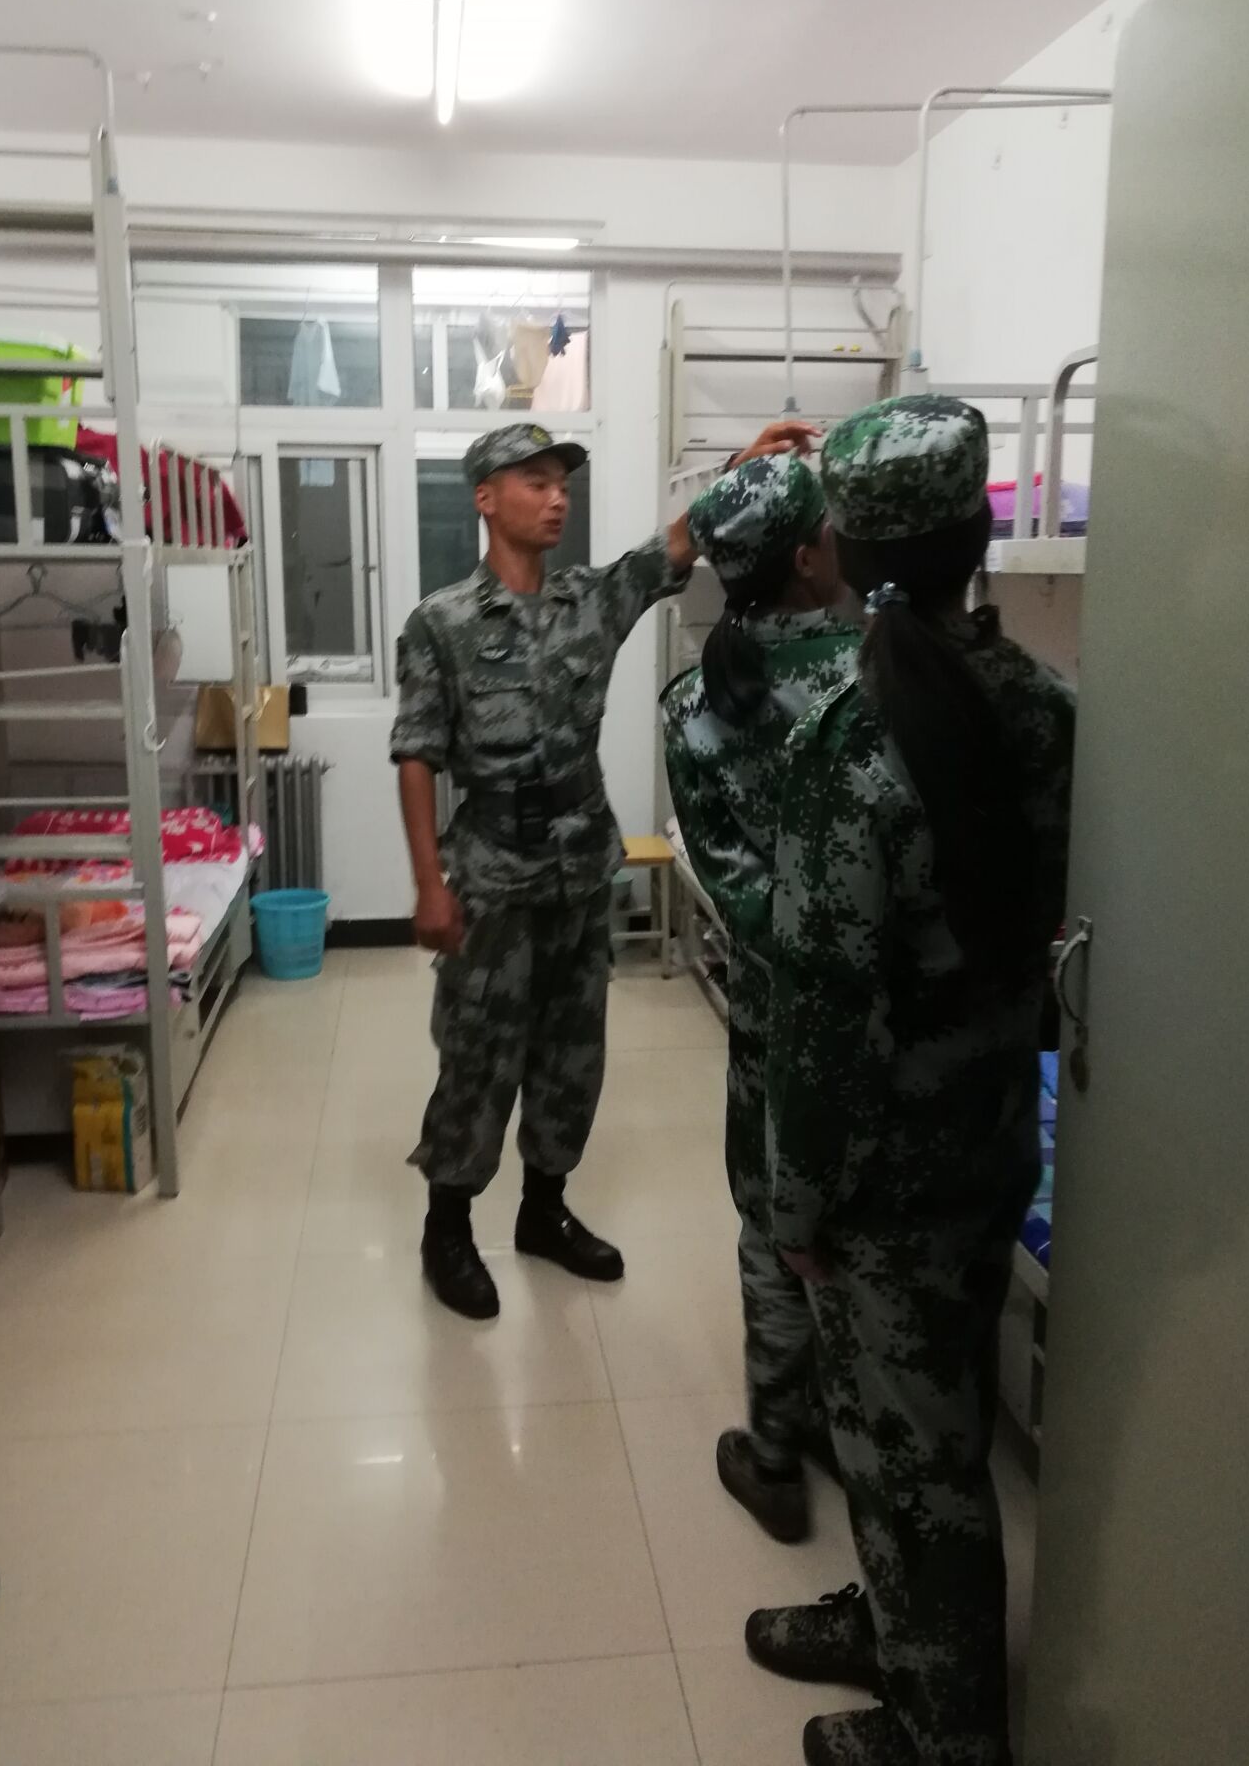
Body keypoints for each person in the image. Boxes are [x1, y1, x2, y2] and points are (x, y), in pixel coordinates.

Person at [744, 398, 1075, 1766]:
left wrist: (799, 1206)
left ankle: (943, 1730)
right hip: (997, 1127)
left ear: (851, 546)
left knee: (910, 1445)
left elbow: (823, 1013)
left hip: (888, 1170)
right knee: (932, 1419)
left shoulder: (850, 738)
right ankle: (893, 1625)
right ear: (977, 532)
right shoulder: (1048, 706)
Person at [390, 418, 811, 1319]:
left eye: (563, 484)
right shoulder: (441, 623)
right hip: (492, 875)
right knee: (478, 1058)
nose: (557, 499)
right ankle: (447, 1229)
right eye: (535, 482)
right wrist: (429, 885)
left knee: (572, 1054)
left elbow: (678, 544)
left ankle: (544, 1211)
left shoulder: (592, 599)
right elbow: (416, 754)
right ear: (485, 498)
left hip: (582, 870)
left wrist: (741, 467)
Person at [661, 450, 861, 1545]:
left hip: (780, 1020)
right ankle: (856, 1432)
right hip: (899, 1019)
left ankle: (777, 1451)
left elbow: (735, 889)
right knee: (870, 1234)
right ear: (807, 558)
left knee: (775, 1222)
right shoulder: (884, 672)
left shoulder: (696, 704)